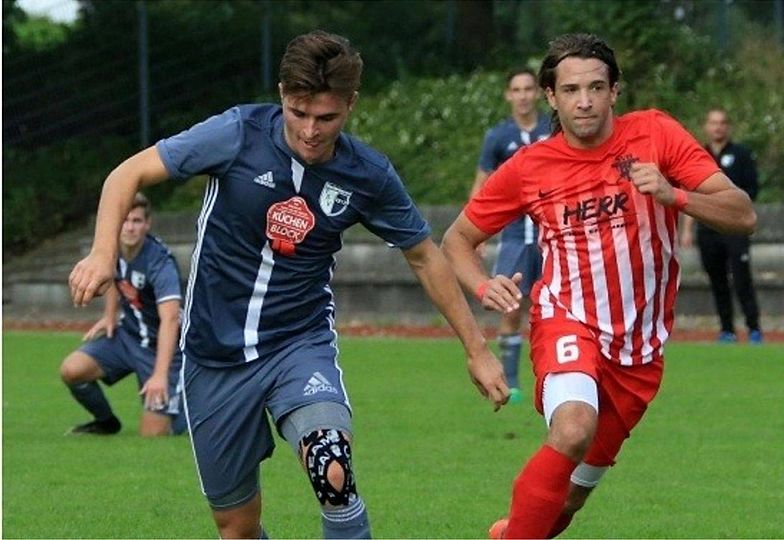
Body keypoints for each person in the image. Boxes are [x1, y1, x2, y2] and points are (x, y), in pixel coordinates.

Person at [68, 30, 509, 539]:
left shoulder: (366, 174)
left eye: (327, 117)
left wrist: (477, 349)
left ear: (351, 104)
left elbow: (424, 256)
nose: (311, 131)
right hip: (213, 356)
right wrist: (103, 252)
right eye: (299, 113)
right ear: (281, 94)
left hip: (297, 344)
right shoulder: (235, 133)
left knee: (332, 467)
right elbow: (127, 174)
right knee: (237, 527)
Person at [441, 33, 756, 539]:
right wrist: (483, 286)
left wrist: (674, 195)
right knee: (572, 428)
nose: (584, 101)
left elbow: (741, 213)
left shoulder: (655, 134)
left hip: (640, 350)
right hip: (567, 319)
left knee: (568, 501)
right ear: (551, 96)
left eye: (595, 87)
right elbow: (457, 240)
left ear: (614, 91)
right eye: (570, 90)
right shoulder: (531, 166)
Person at [60, 192, 184, 437]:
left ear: (147, 224)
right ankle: (106, 423)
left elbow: (170, 319)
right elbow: (112, 277)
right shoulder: (111, 249)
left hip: (161, 350)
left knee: (153, 435)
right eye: (125, 220)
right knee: (72, 370)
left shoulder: (160, 262)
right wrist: (110, 315)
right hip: (127, 337)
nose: (130, 227)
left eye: (137, 221)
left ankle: (190, 414)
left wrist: (160, 375)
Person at [469, 68, 552, 404]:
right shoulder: (498, 136)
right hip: (515, 236)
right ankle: (512, 382)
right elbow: (482, 184)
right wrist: (476, 235)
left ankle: (552, 378)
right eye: (516, 89)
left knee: (553, 309)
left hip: (552, 234)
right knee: (510, 306)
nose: (523, 95)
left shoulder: (553, 129)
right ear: (508, 95)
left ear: (539, 93)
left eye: (528, 88)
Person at [680, 108, 763, 344]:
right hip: (707, 229)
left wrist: (730, 207)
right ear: (706, 126)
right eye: (713, 123)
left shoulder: (741, 155)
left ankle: (754, 328)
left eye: (722, 123)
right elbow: (690, 195)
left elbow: (751, 191)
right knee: (717, 280)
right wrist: (687, 230)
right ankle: (727, 330)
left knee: (741, 278)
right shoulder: (698, 155)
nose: (718, 127)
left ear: (728, 126)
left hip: (734, 228)